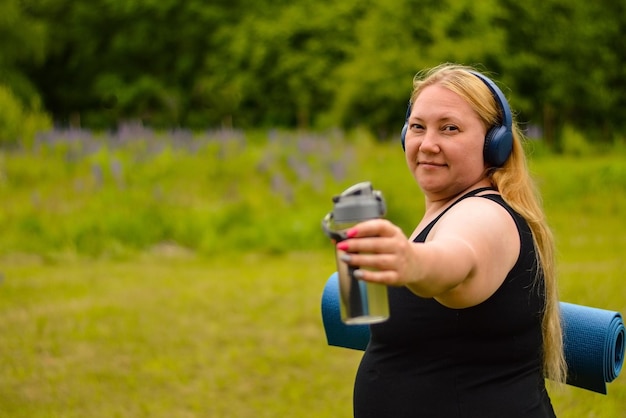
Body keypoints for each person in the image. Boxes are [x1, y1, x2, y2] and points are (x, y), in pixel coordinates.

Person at [334, 63, 566, 417]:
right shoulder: (445, 209)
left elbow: (456, 258)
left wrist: (410, 261)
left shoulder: (485, 215)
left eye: (450, 129)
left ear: (494, 144)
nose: (428, 144)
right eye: (417, 127)